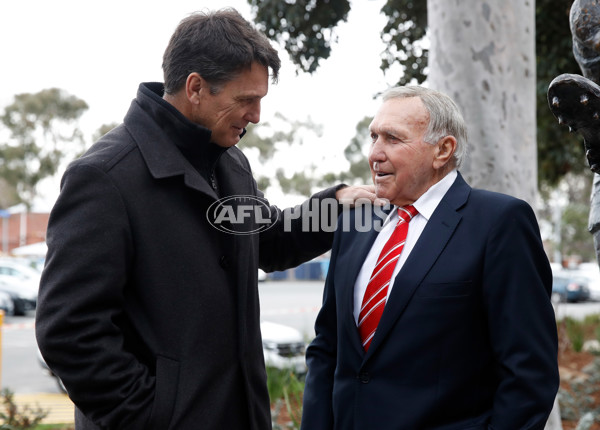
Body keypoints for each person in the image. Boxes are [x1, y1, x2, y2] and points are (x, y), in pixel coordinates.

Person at [35, 8, 376, 430]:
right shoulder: (104, 178)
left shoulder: (231, 162)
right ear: (196, 88)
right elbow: (69, 333)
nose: (256, 115)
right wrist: (154, 418)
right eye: (245, 100)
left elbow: (268, 239)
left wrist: (336, 205)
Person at [301, 85, 559, 430]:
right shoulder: (354, 224)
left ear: (443, 150)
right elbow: (326, 349)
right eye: (374, 137)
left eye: (393, 139)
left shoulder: (500, 222)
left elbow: (529, 372)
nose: (375, 153)